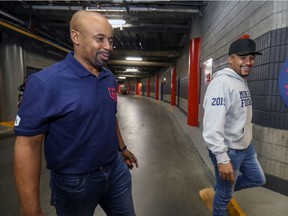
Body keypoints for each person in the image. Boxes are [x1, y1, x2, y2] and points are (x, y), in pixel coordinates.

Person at [14, 10, 138, 216]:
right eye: (99, 39)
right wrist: (30, 208)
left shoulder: (108, 77)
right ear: (76, 37)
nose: (108, 46)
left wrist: (121, 148)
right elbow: (28, 144)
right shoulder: (46, 83)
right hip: (75, 183)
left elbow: (109, 115)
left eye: (110, 40)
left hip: (115, 171)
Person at [199, 35, 266, 215]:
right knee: (224, 197)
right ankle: (220, 193)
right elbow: (212, 126)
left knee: (257, 178)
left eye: (251, 58)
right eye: (243, 58)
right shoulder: (222, 83)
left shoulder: (240, 80)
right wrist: (222, 158)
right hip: (229, 150)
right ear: (231, 59)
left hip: (245, 147)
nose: (249, 62)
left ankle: (218, 189)